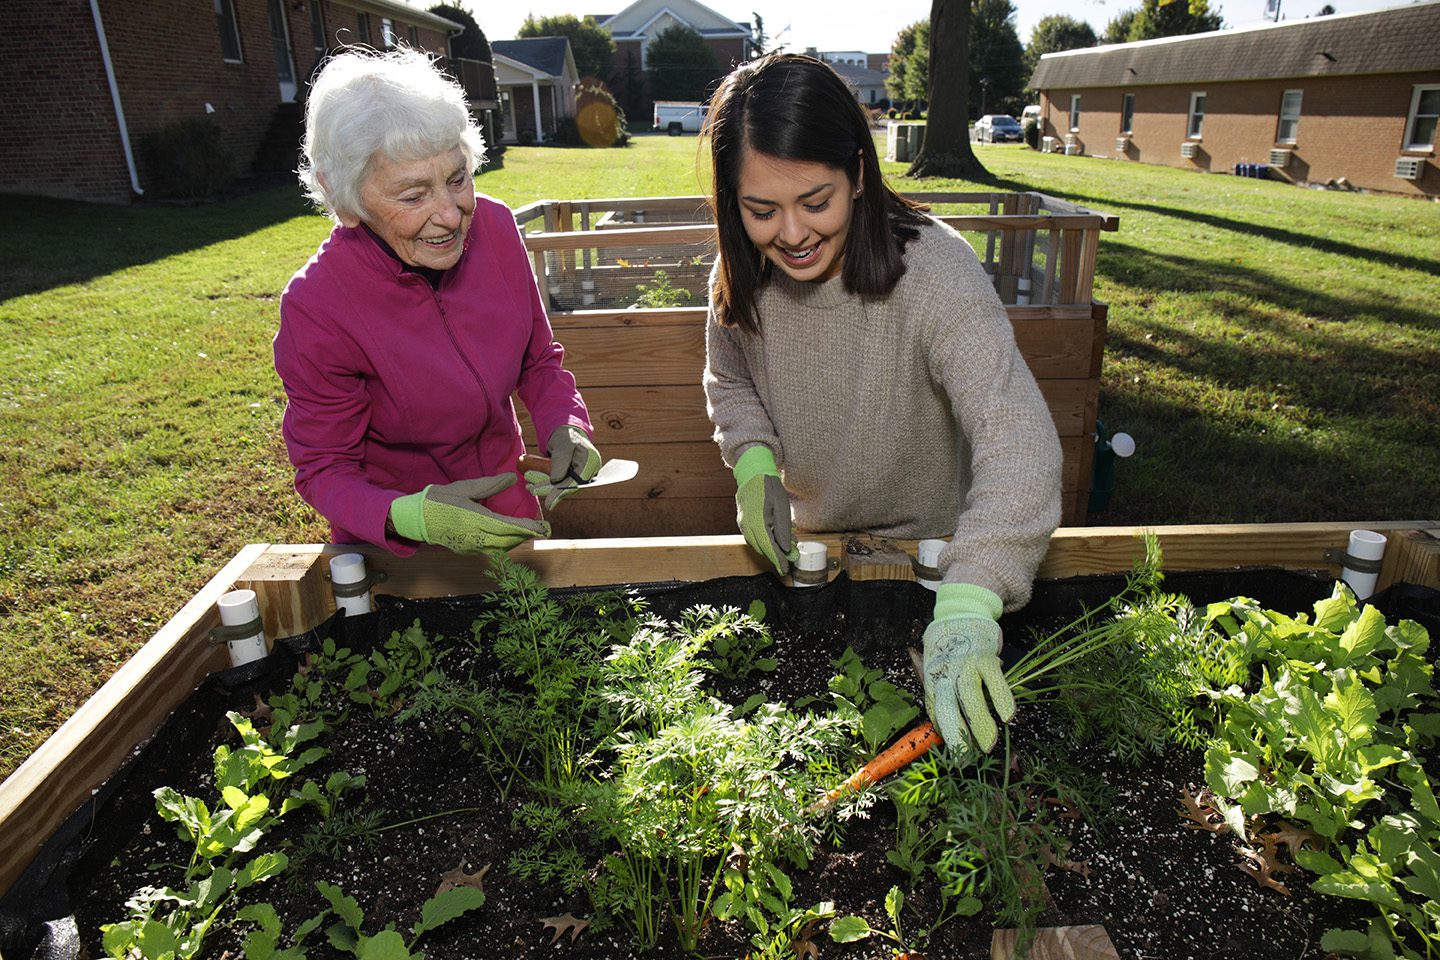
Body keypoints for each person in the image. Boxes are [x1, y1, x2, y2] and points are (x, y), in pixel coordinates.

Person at [701, 54, 1063, 754]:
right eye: (760, 210)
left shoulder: (935, 271)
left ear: (859, 175)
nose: (793, 234)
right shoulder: (740, 270)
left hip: (934, 568)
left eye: (816, 201)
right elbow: (730, 378)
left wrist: (973, 593)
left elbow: (1018, 438)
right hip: (808, 561)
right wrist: (753, 464)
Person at [275, 48, 601, 557]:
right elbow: (324, 470)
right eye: (413, 196)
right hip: (399, 540)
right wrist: (407, 515)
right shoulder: (317, 306)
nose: (451, 215)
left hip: (507, 504)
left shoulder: (494, 228)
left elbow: (537, 360)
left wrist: (566, 424)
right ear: (344, 199)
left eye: (457, 178)